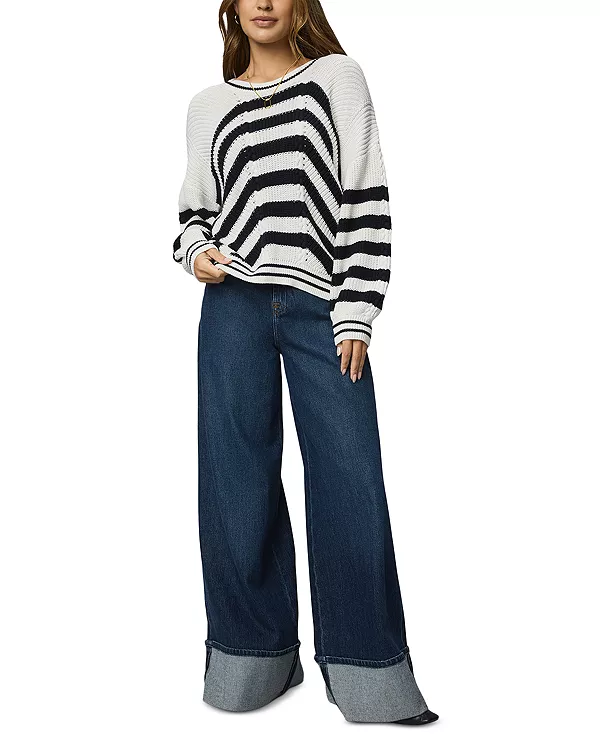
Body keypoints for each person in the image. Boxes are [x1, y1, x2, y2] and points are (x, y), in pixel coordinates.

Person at [173, 0, 438, 725]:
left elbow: (366, 198)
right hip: (232, 306)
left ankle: (371, 676)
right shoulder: (207, 107)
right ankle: (250, 663)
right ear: (231, 8)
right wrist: (198, 252)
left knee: (349, 476)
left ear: (300, 6)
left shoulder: (338, 79)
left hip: (323, 302)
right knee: (234, 481)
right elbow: (193, 212)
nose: (263, 2)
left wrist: (358, 309)